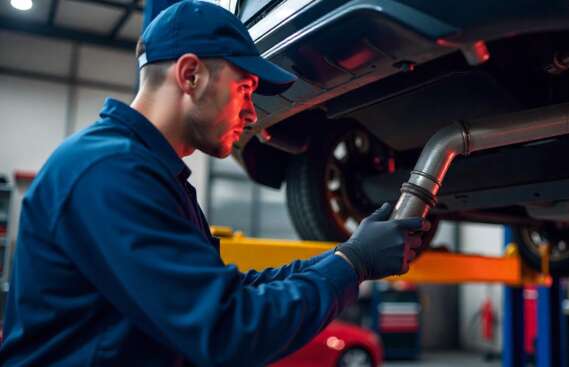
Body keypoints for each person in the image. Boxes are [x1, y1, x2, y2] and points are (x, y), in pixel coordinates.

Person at [0, 1, 424, 366]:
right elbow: (227, 330)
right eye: (245, 89)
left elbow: (227, 291)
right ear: (191, 76)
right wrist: (353, 265)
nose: (252, 114)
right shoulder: (109, 175)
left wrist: (347, 255)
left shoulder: (142, 172)